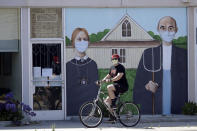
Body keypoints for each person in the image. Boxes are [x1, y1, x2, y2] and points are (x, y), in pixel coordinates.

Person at [133, 16, 188, 115]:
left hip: (177, 107)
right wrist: (147, 87)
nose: (167, 31)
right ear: (158, 29)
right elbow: (137, 86)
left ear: (176, 30)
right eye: (163, 28)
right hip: (153, 106)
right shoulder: (148, 54)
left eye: (171, 28)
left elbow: (188, 84)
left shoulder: (184, 55)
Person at [66, 28, 99, 116]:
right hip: (72, 108)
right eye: (79, 39)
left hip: (88, 109)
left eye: (85, 39)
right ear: (73, 42)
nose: (82, 42)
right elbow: (69, 90)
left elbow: (94, 88)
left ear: (88, 42)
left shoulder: (93, 64)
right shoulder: (68, 65)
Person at [102, 54, 128, 121]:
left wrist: (110, 80)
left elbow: (118, 76)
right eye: (113, 59)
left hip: (123, 86)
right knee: (107, 101)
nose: (114, 60)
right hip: (116, 87)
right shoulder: (112, 67)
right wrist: (101, 81)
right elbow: (109, 75)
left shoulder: (121, 67)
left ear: (118, 60)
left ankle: (114, 105)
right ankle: (113, 116)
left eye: (115, 59)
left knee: (109, 87)